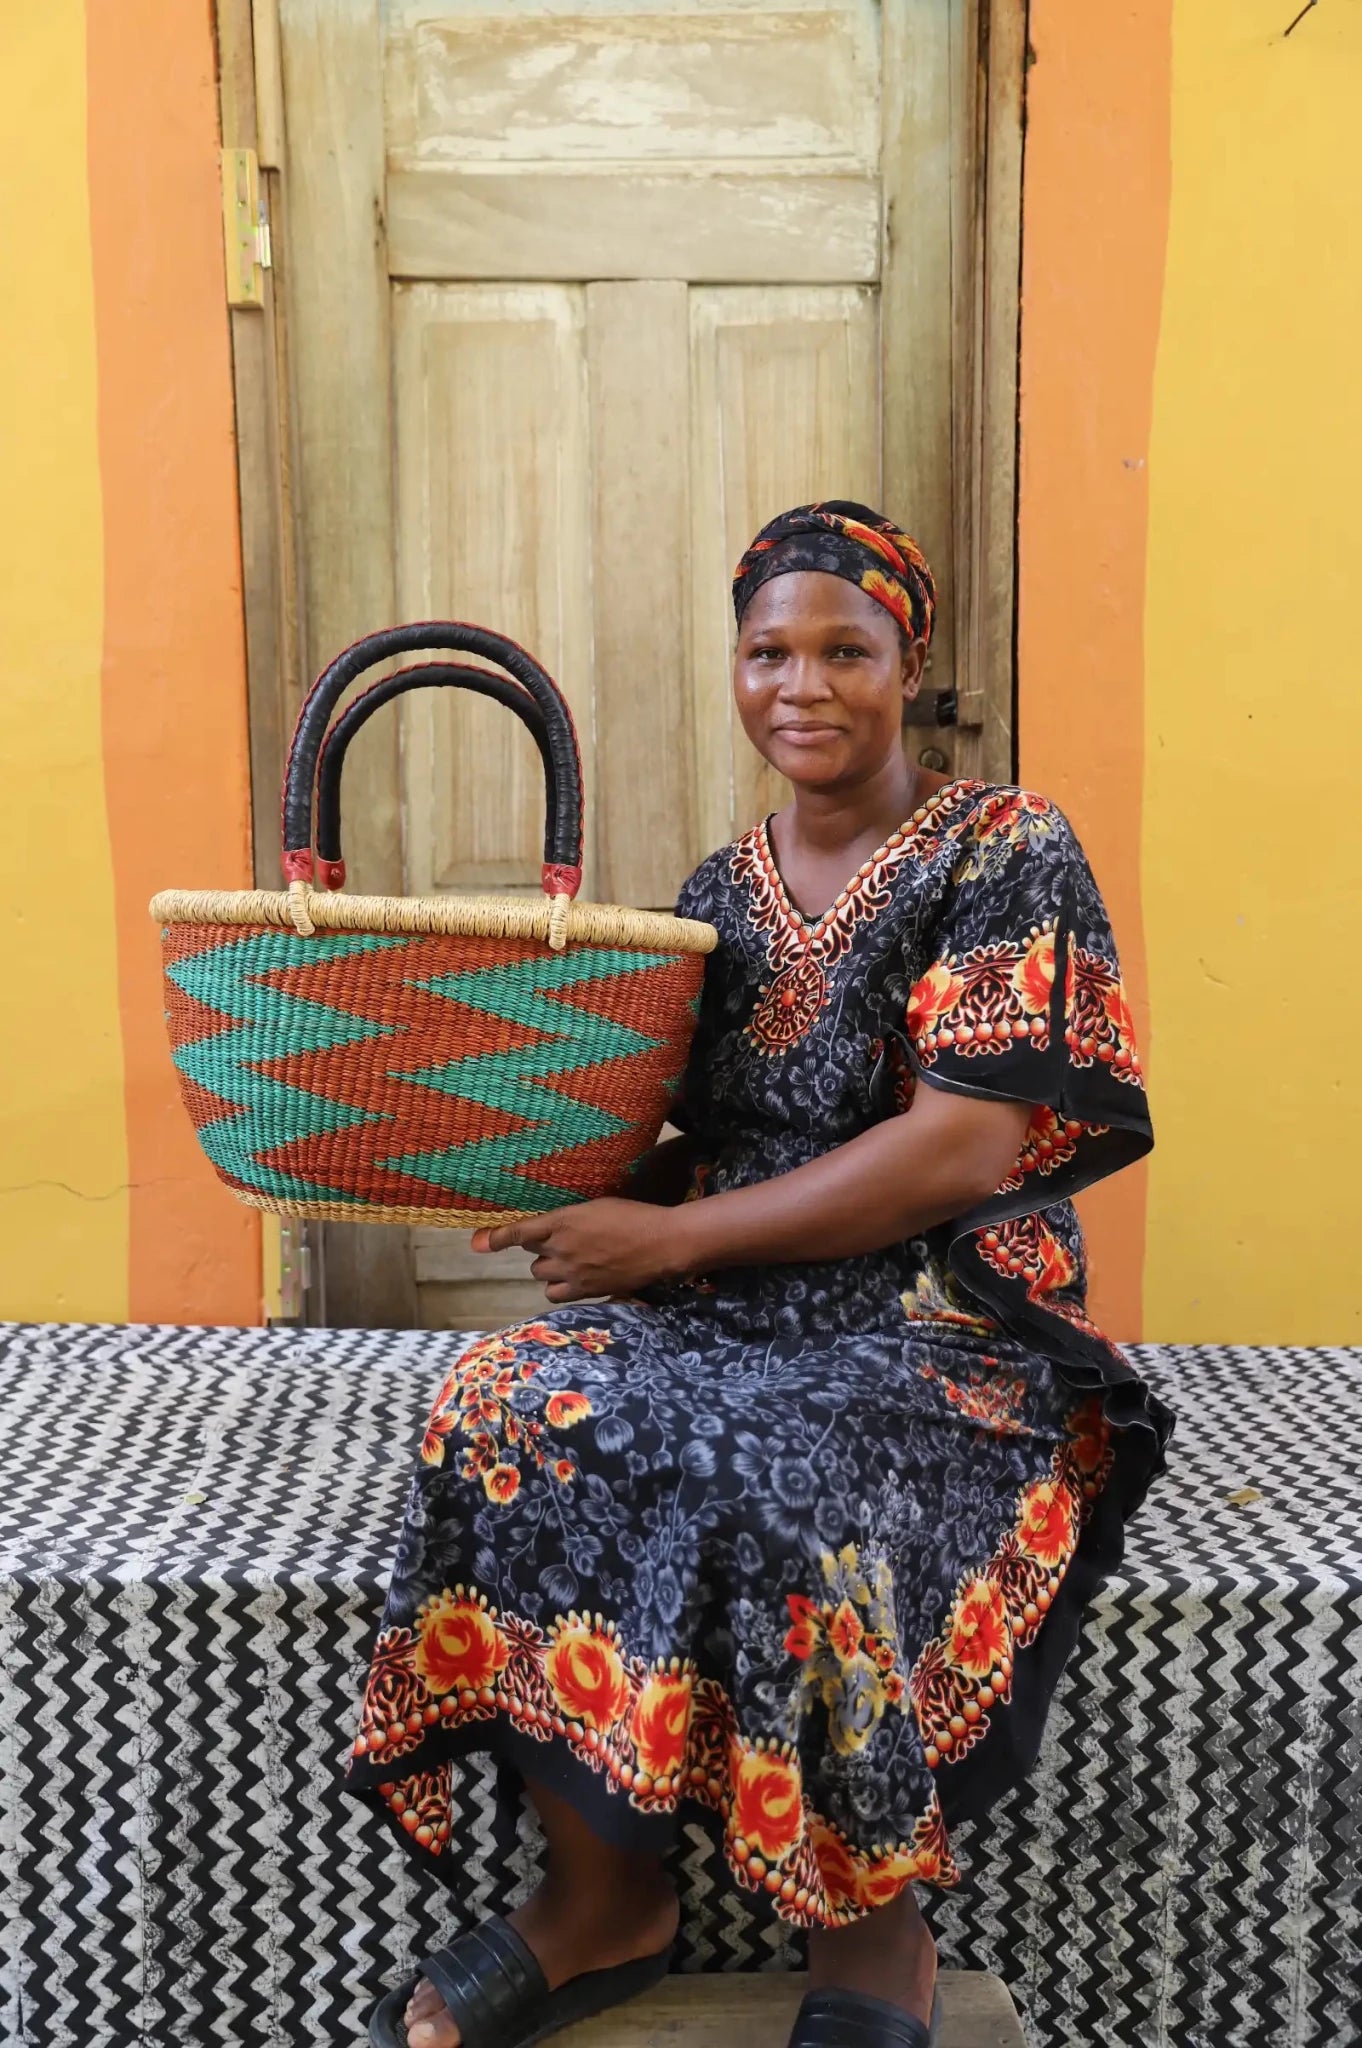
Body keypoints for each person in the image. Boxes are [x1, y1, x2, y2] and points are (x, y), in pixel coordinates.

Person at [353, 502, 1172, 2048]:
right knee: (500, 1401)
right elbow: (699, 1136)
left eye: (843, 651)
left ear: (907, 667)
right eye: (767, 652)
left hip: (941, 1311)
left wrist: (665, 1242)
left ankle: (869, 1930)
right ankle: (606, 1896)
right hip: (737, 1296)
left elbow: (960, 1146)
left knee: (778, 1473)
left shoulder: (1004, 849)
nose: (801, 685)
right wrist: (559, 1178)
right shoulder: (716, 893)